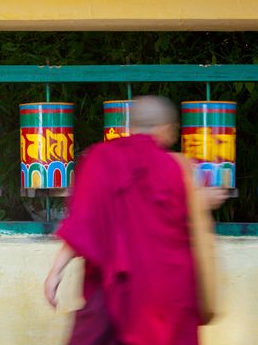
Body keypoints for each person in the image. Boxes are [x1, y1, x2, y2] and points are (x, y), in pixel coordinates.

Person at [44, 96, 228, 345]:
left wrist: (56, 271)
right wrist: (203, 200)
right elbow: (189, 217)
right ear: (166, 128)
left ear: (131, 127)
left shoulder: (100, 158)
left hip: (113, 294)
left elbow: (85, 222)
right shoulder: (181, 168)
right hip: (168, 293)